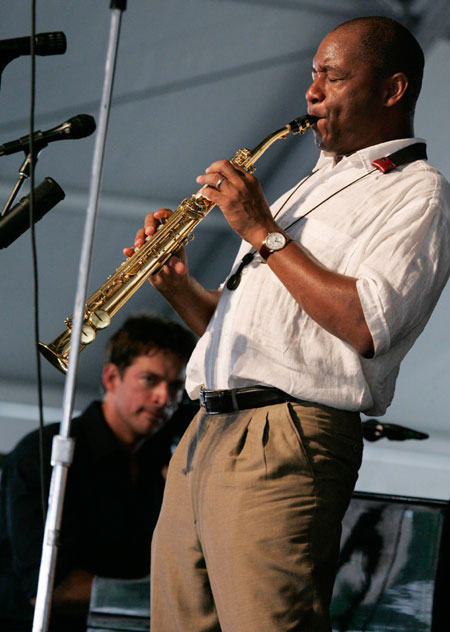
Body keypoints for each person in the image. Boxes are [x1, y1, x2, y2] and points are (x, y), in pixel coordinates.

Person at [125, 16, 450, 632]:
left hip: (283, 435)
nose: (312, 91)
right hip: (205, 430)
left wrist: (262, 232)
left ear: (392, 90)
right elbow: (253, 336)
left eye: (332, 75)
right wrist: (176, 287)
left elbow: (364, 324)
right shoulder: (310, 186)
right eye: (312, 75)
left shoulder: (419, 193)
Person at [0, 313, 197, 631]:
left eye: (175, 386)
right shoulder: (43, 453)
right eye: (150, 380)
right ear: (110, 378)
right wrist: (171, 597)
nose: (165, 398)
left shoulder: (159, 456)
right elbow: (49, 587)